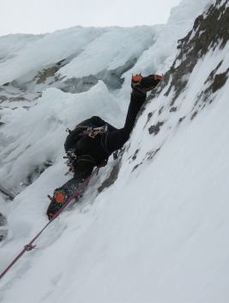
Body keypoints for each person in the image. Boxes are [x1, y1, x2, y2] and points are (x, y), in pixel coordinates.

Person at [46, 74, 163, 219]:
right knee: (125, 134)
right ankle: (138, 92)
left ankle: (61, 197)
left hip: (79, 145)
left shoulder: (82, 157)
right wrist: (114, 138)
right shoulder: (94, 146)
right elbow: (97, 121)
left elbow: (81, 172)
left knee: (81, 177)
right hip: (90, 140)